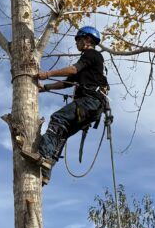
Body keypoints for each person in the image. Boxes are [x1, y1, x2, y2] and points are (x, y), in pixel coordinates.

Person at [31, 26, 109, 183]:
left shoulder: (91, 54)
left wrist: (47, 74)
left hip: (89, 102)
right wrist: (45, 88)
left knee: (58, 118)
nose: (77, 44)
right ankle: (46, 172)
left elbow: (73, 70)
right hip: (93, 107)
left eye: (78, 40)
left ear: (87, 39)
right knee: (62, 133)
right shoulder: (90, 63)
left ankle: (44, 155)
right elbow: (68, 83)